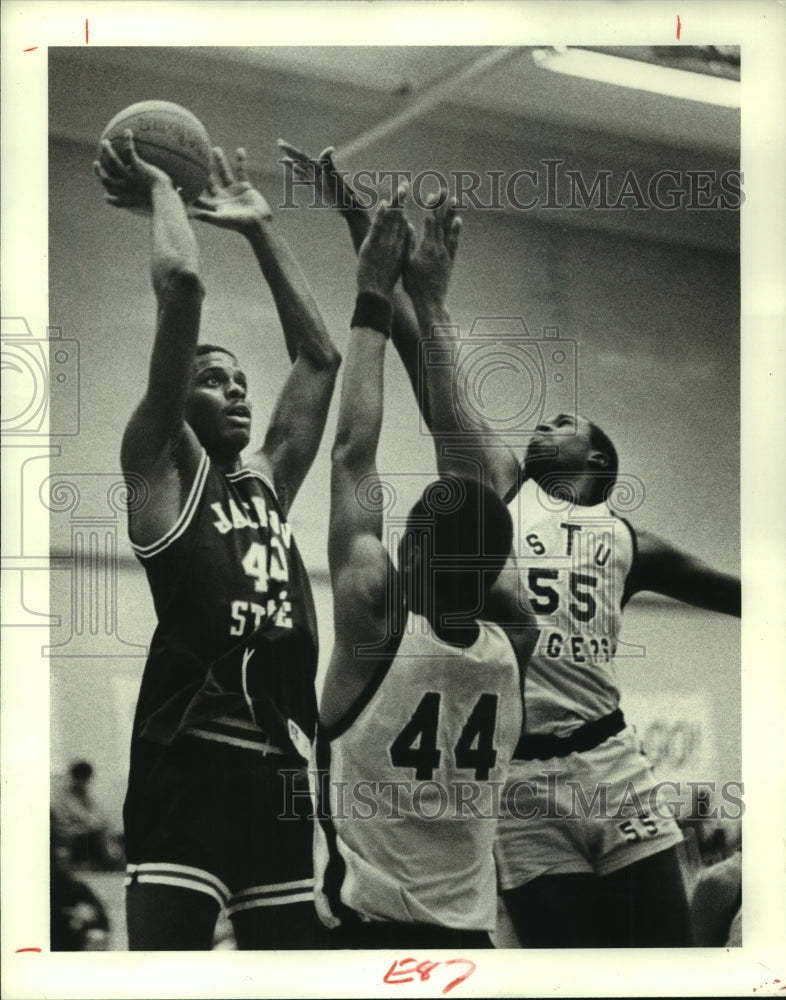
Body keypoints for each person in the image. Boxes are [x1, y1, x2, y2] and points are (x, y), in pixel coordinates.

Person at [282, 142, 741, 948]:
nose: (544, 422)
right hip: (518, 767)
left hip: (611, 760)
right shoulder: (495, 487)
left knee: (666, 956)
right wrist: (385, 254)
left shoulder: (631, 540)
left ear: (599, 462)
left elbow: (742, 594)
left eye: (565, 421)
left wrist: (381, 281)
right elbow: (434, 382)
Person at [93, 131, 341, 950]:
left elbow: (318, 356)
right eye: (213, 379)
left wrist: (264, 229)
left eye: (240, 380)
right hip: (187, 767)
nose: (236, 389)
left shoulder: (265, 479)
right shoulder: (161, 473)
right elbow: (186, 286)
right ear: (177, 401)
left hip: (277, 772)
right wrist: (165, 189)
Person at [313, 188, 537, 949]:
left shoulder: (374, 616)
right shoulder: (514, 641)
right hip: (473, 946)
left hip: (368, 943)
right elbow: (474, 480)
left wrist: (373, 295)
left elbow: (352, 455)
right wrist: (433, 305)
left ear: (408, 552)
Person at [50, 760, 120, 869]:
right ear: (76, 778)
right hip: (70, 834)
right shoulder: (62, 795)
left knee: (111, 833)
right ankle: (111, 860)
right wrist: (97, 825)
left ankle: (112, 858)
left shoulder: (84, 795)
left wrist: (103, 825)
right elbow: (79, 818)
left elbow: (97, 816)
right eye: (83, 780)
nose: (85, 784)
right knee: (100, 834)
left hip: (83, 832)